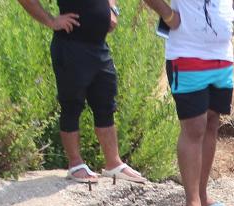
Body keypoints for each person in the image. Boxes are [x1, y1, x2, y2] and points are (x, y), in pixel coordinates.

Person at [18, 0, 148, 184]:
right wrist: (51, 21)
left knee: (106, 105)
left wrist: (112, 10)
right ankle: (75, 164)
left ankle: (113, 163)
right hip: (70, 46)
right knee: (72, 105)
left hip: (99, 46)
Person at [142, 0, 234, 206]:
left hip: (222, 56)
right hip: (186, 53)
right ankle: (193, 203)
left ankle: (203, 196)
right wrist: (168, 15)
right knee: (194, 127)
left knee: (211, 123)